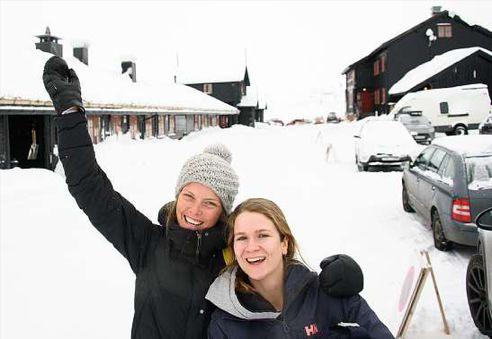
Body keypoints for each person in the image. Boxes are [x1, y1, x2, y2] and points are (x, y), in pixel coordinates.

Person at [42, 56, 365, 339]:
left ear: (223, 210)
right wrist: (71, 111)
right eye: (189, 196)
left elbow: (286, 278)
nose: (195, 210)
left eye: (210, 203)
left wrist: (335, 282)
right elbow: (89, 186)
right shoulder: (147, 243)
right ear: (178, 194)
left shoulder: (234, 254)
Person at [206, 198, 394, 338]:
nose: (252, 246)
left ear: (284, 243)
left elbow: (373, 328)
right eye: (242, 238)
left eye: (262, 235)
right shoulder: (225, 323)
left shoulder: (321, 293)